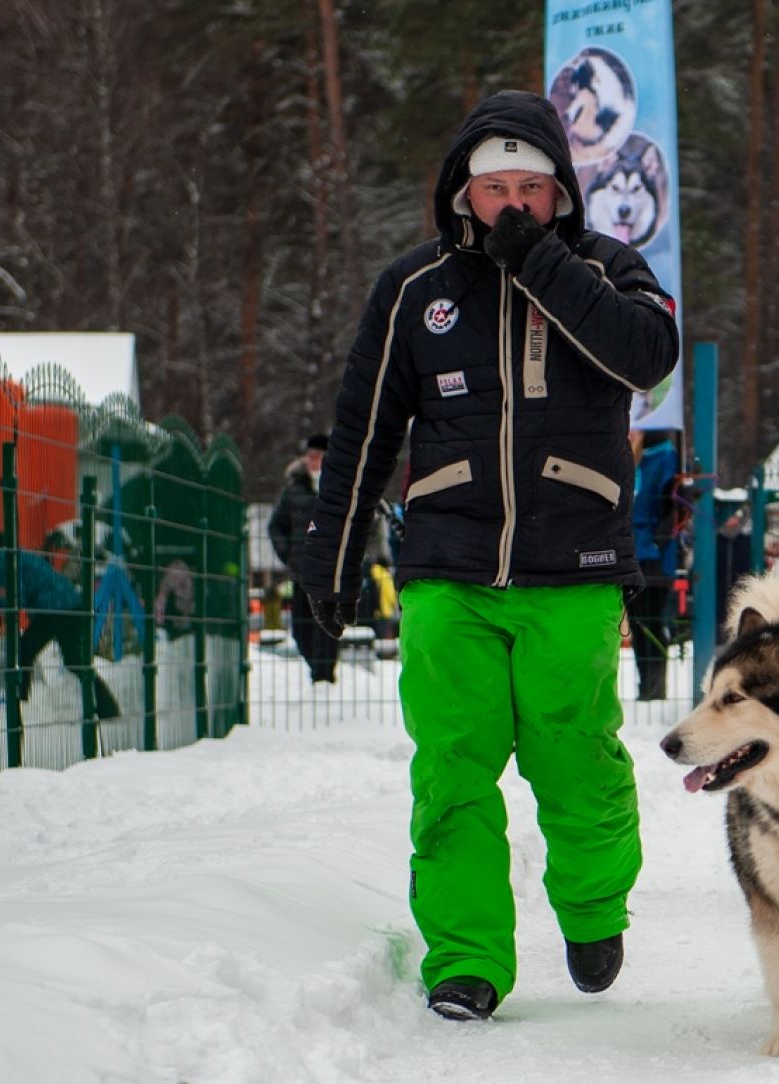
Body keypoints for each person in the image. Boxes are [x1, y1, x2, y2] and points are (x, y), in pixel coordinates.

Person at [293, 91, 679, 1023]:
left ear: (561, 196)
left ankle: (591, 907)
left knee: (574, 756)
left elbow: (646, 355)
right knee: (454, 767)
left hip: (573, 568)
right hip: (446, 570)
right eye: (494, 188)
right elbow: (363, 432)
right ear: (461, 193)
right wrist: (328, 560)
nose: (511, 205)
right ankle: (466, 957)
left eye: (531, 190)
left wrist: (541, 264)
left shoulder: (608, 268)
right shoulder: (414, 289)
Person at [0, 515, 120, 721]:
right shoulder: (9, 555)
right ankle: (108, 707)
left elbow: (15, 595)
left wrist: (0, 607)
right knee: (76, 662)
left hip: (55, 609)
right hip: (70, 605)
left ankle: (19, 705)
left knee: (24, 651)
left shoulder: (3, 561)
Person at [268, 433, 340, 684]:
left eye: (317, 456)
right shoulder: (294, 490)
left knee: (328, 625)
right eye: (309, 456)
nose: (312, 461)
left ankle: (325, 676)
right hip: (302, 571)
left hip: (332, 571)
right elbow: (275, 526)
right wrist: (288, 554)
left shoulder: (339, 487)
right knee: (301, 628)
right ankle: (316, 671)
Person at [629, 429, 679, 701]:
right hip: (634, 551)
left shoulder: (665, 455)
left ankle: (656, 686)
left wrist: (660, 538)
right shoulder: (636, 454)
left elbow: (672, 504)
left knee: (652, 621)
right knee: (638, 623)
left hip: (655, 557)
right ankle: (645, 685)